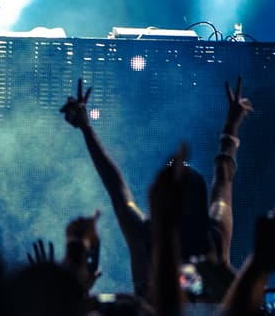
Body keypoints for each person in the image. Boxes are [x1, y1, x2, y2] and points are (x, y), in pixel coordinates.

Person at [60, 77, 252, 301]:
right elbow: (223, 177)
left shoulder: (144, 237)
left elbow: (114, 184)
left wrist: (86, 127)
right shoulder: (216, 238)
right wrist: (231, 125)